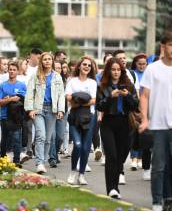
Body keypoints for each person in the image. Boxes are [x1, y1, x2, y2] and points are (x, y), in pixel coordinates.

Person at [96, 57, 139, 199]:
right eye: (113, 69)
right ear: (108, 70)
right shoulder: (102, 86)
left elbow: (135, 105)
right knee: (112, 156)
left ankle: (114, 186)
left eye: (118, 70)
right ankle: (112, 188)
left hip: (125, 123)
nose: (116, 72)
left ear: (122, 71)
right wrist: (110, 96)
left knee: (121, 157)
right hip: (108, 122)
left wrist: (127, 96)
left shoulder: (129, 85)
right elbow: (99, 106)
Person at [139, 30, 172, 211]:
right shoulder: (153, 69)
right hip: (158, 125)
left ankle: (168, 198)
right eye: (171, 45)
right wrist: (145, 119)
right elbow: (144, 95)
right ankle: (157, 201)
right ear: (163, 47)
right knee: (159, 165)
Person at [24, 52, 65, 174]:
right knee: (40, 136)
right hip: (38, 109)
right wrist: (30, 109)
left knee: (48, 139)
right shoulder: (35, 76)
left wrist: (61, 109)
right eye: (45, 59)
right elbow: (29, 93)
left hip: (52, 110)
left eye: (49, 59)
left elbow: (61, 95)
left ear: (52, 61)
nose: (47, 61)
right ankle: (39, 163)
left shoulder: (57, 76)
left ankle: (44, 159)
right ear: (41, 61)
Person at [66, 56, 97, 185]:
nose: (86, 67)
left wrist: (77, 99)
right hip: (74, 116)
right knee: (77, 145)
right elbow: (68, 98)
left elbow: (94, 100)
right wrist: (83, 100)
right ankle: (73, 171)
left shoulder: (92, 83)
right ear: (79, 66)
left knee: (85, 148)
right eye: (84, 64)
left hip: (89, 117)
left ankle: (81, 174)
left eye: (89, 65)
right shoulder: (72, 81)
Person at [0, 61, 27, 167]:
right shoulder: (2, 86)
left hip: (17, 117)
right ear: (8, 70)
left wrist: (9, 98)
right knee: (4, 138)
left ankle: (16, 161)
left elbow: (22, 99)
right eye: (10, 70)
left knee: (16, 138)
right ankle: (2, 158)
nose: (12, 72)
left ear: (18, 71)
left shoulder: (22, 85)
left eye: (14, 70)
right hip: (4, 116)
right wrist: (10, 99)